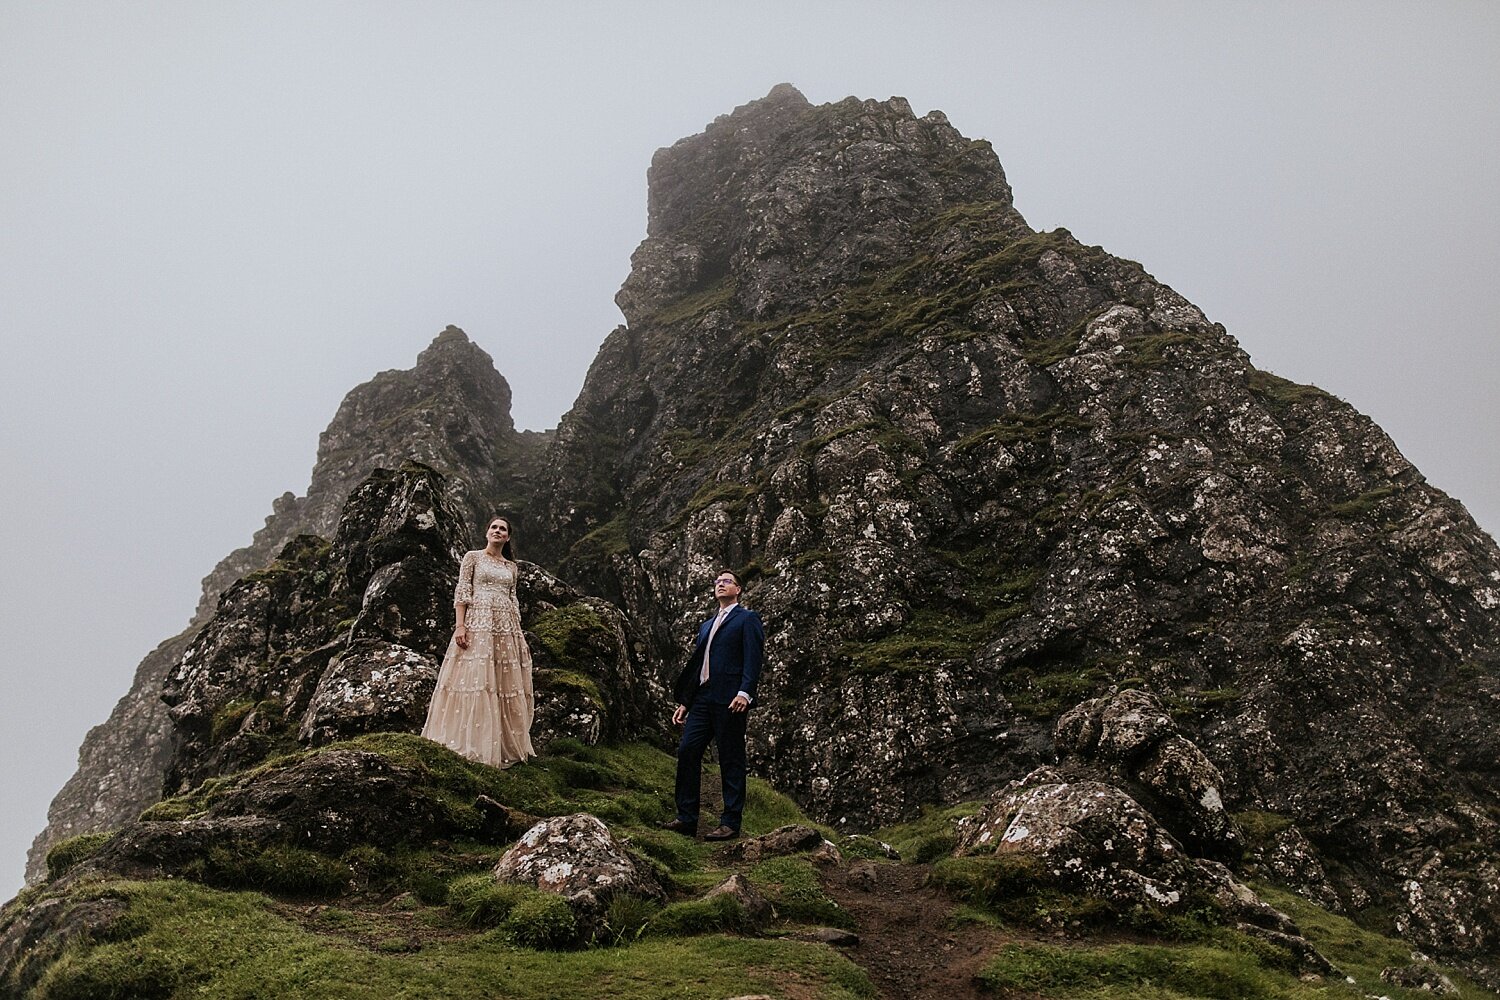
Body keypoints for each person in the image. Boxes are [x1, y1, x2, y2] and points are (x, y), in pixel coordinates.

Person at [421, 516, 535, 768]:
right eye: (493, 527)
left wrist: (519, 635)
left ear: (508, 537)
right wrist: (460, 626)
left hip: (505, 627)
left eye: (502, 529)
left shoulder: (511, 567)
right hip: (479, 622)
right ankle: (469, 740)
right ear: (487, 532)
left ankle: (500, 743)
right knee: (475, 678)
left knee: (502, 681)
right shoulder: (472, 557)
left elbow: (513, 600)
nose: (497, 531)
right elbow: (462, 592)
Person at [662, 569, 765, 841]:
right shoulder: (706, 625)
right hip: (702, 698)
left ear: (738, 589)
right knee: (687, 751)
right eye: (718, 581)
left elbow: (753, 659)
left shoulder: (747, 619)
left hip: (731, 699)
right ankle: (686, 818)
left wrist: (745, 692)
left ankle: (730, 822)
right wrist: (687, 700)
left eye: (727, 581)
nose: (720, 584)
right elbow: (699, 666)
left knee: (730, 758)